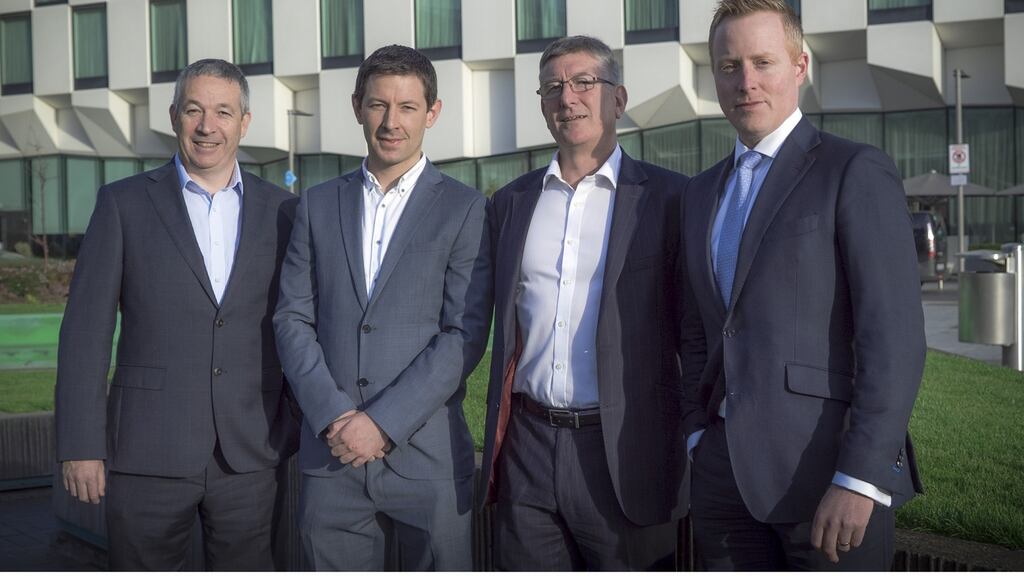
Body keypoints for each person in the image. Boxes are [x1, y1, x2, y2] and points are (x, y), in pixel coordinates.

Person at [678, 0, 926, 570]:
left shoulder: (853, 170)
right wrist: (698, 433)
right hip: (722, 481)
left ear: (800, 66)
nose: (746, 82)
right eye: (729, 65)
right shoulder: (699, 193)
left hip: (825, 479)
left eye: (763, 62)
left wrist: (860, 478)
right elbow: (698, 327)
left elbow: (893, 340)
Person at [55, 58, 299, 570]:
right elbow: (85, 333)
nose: (208, 126)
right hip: (146, 452)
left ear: (245, 122)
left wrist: (293, 425)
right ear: (174, 116)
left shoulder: (285, 211)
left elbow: (297, 323)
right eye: (194, 110)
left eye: (223, 112)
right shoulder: (122, 204)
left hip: (251, 452)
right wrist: (81, 445)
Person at [273, 44, 491, 571]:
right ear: (357, 107)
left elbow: (463, 333)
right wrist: (333, 416)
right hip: (332, 459)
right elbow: (292, 318)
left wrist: (382, 423)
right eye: (378, 105)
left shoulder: (467, 209)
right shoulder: (317, 204)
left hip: (427, 458)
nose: (392, 122)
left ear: (431, 113)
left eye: (408, 107)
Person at [477, 35, 689, 570]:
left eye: (583, 83)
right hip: (526, 445)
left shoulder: (671, 200)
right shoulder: (511, 204)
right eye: (552, 87)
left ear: (617, 99)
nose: (566, 98)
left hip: (625, 451)